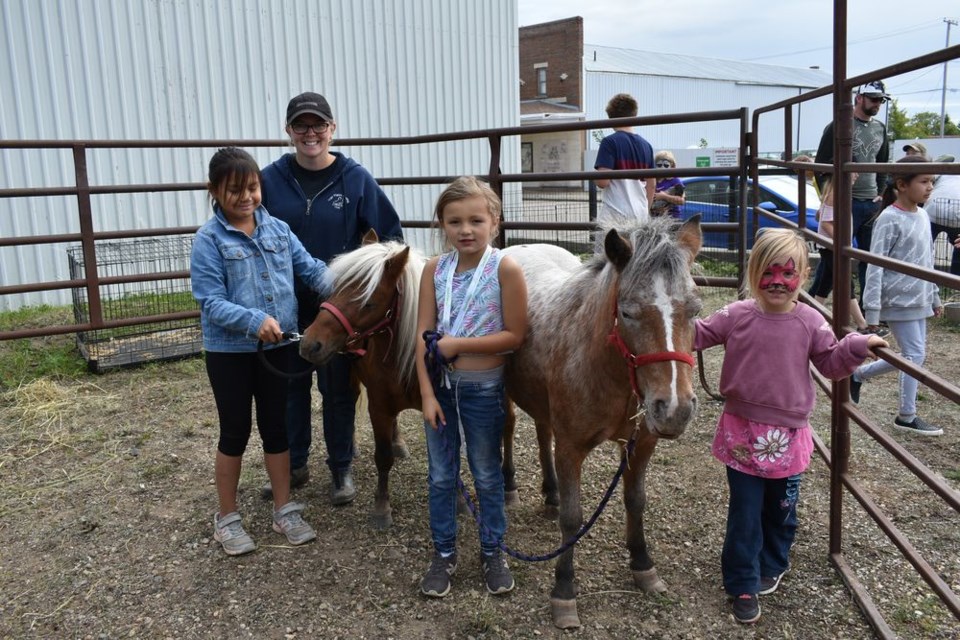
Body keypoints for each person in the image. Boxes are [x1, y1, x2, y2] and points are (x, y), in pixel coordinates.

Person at [695, 228, 886, 624]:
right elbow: (698, 334)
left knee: (782, 508)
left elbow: (832, 364)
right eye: (768, 272)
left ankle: (774, 560)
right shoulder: (736, 315)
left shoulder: (810, 321)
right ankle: (742, 580)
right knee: (745, 511)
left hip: (789, 436)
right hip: (742, 432)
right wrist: (660, 317)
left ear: (802, 275)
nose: (777, 282)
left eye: (788, 273)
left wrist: (856, 345)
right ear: (753, 272)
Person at [260, 92, 403, 505]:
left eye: (318, 125)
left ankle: (341, 468)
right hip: (285, 304)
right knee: (290, 389)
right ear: (288, 131)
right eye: (301, 125)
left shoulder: (355, 179)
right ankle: (296, 464)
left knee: (338, 390)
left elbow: (389, 240)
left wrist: (360, 292)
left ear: (332, 128)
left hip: (339, 310)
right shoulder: (269, 181)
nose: (311, 133)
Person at [191, 147, 332, 555]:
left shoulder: (279, 231)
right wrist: (255, 321)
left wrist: (350, 283)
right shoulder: (208, 240)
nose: (246, 197)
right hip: (230, 352)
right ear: (214, 191)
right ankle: (227, 517)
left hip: (278, 347)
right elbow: (210, 301)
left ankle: (284, 508)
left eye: (252, 187)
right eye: (234, 190)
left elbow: (312, 270)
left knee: (277, 427)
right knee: (234, 430)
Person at [414, 176, 528, 598]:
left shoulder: (505, 268)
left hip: (483, 388)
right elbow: (422, 336)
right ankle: (443, 553)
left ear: (495, 222)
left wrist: (459, 344)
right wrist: (426, 393)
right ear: (441, 224)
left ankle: (492, 550)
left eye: (476, 220)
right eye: (455, 221)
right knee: (441, 476)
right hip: (441, 388)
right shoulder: (434, 269)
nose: (466, 230)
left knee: (485, 473)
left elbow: (515, 334)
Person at [851, 157, 944, 436]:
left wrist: (935, 295)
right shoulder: (889, 219)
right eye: (924, 181)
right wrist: (873, 312)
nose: (929, 188)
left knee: (914, 355)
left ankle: (857, 375)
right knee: (914, 355)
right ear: (902, 185)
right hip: (898, 300)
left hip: (919, 298)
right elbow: (875, 265)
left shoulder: (923, 214)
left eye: (932, 182)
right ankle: (906, 415)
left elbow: (927, 261)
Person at [815, 80, 891, 304]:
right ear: (859, 98)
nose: (878, 104)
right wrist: (826, 200)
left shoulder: (879, 127)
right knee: (835, 257)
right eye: (874, 99)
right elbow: (822, 163)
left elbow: (883, 161)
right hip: (846, 200)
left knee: (868, 258)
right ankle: (814, 302)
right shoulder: (839, 124)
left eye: (881, 100)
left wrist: (881, 191)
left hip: (870, 200)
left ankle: (867, 308)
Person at [806, 172, 886, 336]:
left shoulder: (836, 191)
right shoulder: (835, 192)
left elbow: (820, 215)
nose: (857, 175)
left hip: (830, 245)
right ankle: (863, 326)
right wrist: (841, 240)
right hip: (832, 246)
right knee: (846, 283)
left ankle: (808, 316)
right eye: (853, 172)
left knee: (825, 284)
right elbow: (826, 222)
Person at [593, 93, 654, 245]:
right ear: (634, 115)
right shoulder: (647, 146)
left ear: (611, 117)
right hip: (640, 216)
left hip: (614, 214)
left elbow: (602, 182)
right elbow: (651, 184)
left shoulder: (610, 142)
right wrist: (646, 210)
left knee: (606, 263)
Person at [927, 154, 960, 276]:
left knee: (925, 245)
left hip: (932, 210)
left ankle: (923, 273)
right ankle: (955, 280)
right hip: (957, 215)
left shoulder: (942, 172)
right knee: (958, 245)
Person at [650, 150, 685, 218]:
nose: (662, 168)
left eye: (666, 165)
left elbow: (682, 201)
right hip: (654, 218)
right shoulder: (651, 179)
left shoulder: (675, 180)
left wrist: (664, 196)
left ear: (671, 166)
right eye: (659, 165)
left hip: (672, 218)